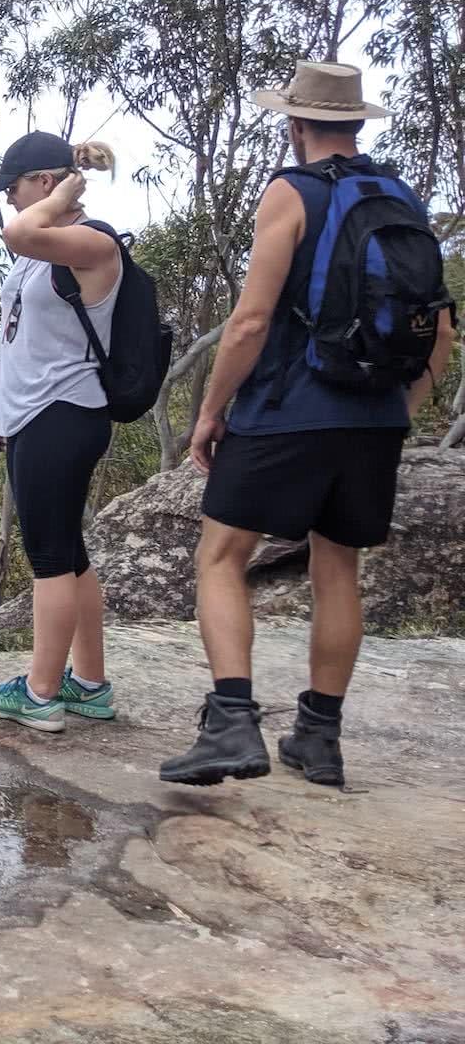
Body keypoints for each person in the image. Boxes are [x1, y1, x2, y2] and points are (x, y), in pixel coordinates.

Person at [161, 63, 455, 789]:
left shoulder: (290, 193)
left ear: (296, 126)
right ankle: (319, 739)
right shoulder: (403, 197)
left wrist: (210, 413)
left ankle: (232, 722)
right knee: (338, 569)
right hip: (373, 418)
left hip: (289, 409)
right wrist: (400, 410)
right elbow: (441, 331)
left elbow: (251, 320)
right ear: (356, 124)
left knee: (223, 554)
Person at [0, 130, 124, 732]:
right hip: (34, 412)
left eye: (14, 186)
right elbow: (17, 334)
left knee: (50, 558)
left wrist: (68, 191)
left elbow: (18, 230)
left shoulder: (92, 243)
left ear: (45, 182)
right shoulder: (42, 251)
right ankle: (89, 683)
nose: (8, 199)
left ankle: (38, 693)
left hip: (64, 413)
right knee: (71, 555)